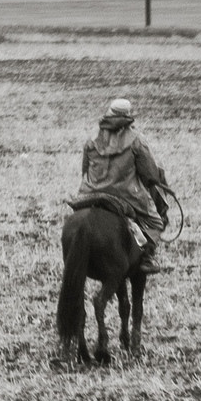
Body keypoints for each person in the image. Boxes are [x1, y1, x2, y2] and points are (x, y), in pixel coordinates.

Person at [71, 97, 174, 271]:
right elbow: (150, 176)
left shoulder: (91, 137)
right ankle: (147, 257)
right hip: (125, 196)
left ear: (109, 113)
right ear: (128, 117)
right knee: (156, 222)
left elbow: (85, 170)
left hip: (88, 194)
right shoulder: (136, 139)